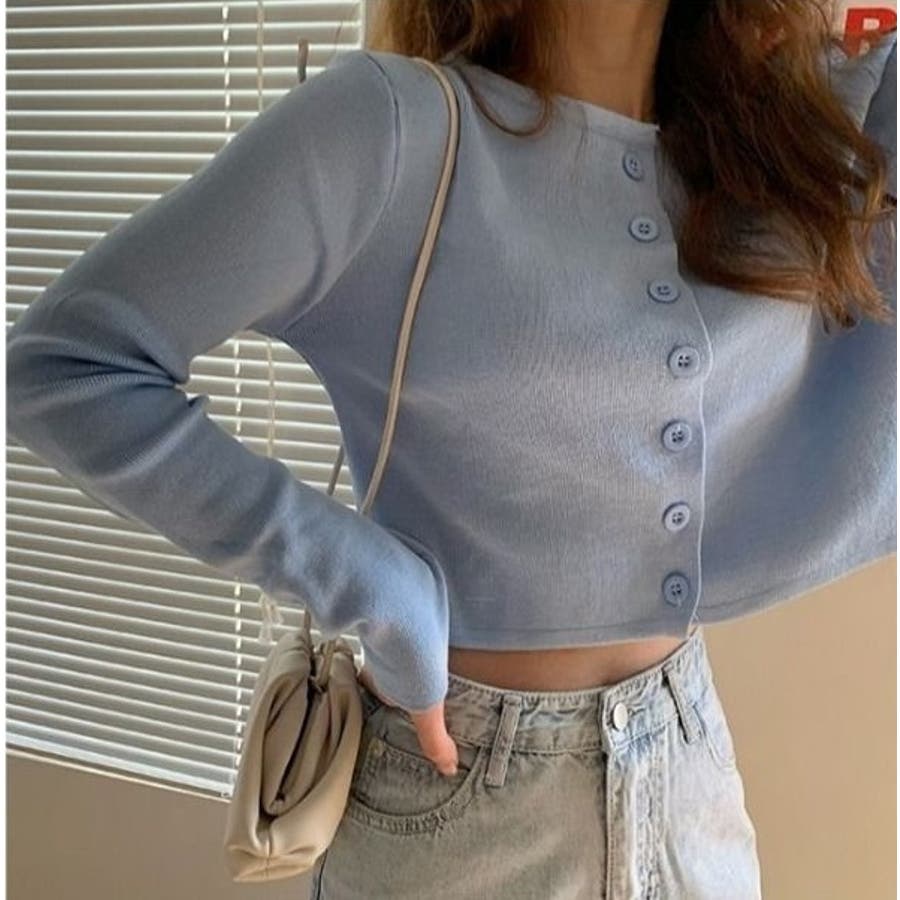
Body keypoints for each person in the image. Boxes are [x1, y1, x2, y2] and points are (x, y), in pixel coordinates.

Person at [6, 0, 896, 897]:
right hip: (456, 795)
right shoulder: (388, 131)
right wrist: (372, 583)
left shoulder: (771, 142)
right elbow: (64, 366)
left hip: (689, 783)